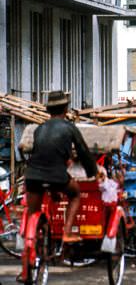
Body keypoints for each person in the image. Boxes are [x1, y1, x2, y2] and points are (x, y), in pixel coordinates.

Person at [24, 90, 98, 243]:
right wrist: (92, 172)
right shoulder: (69, 128)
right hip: (56, 175)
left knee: (33, 213)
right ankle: (67, 232)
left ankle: (30, 241)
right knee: (75, 194)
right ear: (66, 109)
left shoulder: (40, 129)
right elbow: (83, 152)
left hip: (32, 176)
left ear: (48, 110)